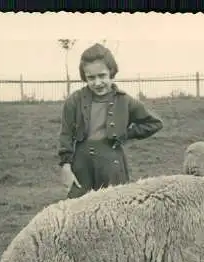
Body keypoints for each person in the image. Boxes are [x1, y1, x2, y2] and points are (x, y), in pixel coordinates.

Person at [58, 43, 163, 198]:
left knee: (115, 210)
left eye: (102, 76)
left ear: (111, 72)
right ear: (84, 77)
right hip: (82, 165)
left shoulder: (124, 100)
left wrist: (125, 133)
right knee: (78, 212)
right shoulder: (74, 100)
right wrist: (66, 167)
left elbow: (154, 123)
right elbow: (66, 134)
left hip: (112, 165)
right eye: (91, 78)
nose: (97, 83)